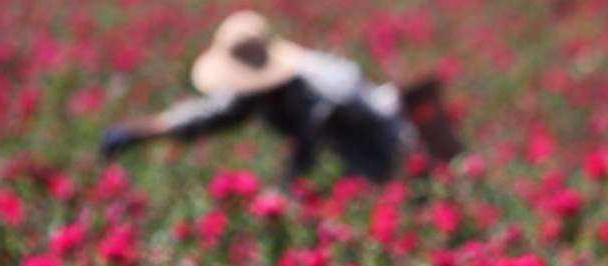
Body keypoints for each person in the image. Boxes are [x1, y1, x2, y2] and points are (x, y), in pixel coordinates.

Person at [100, 11, 460, 182]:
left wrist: (290, 187)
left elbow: (313, 141)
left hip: (387, 151)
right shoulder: (259, 92)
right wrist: (145, 130)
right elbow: (212, 113)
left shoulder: (320, 86)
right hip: (349, 163)